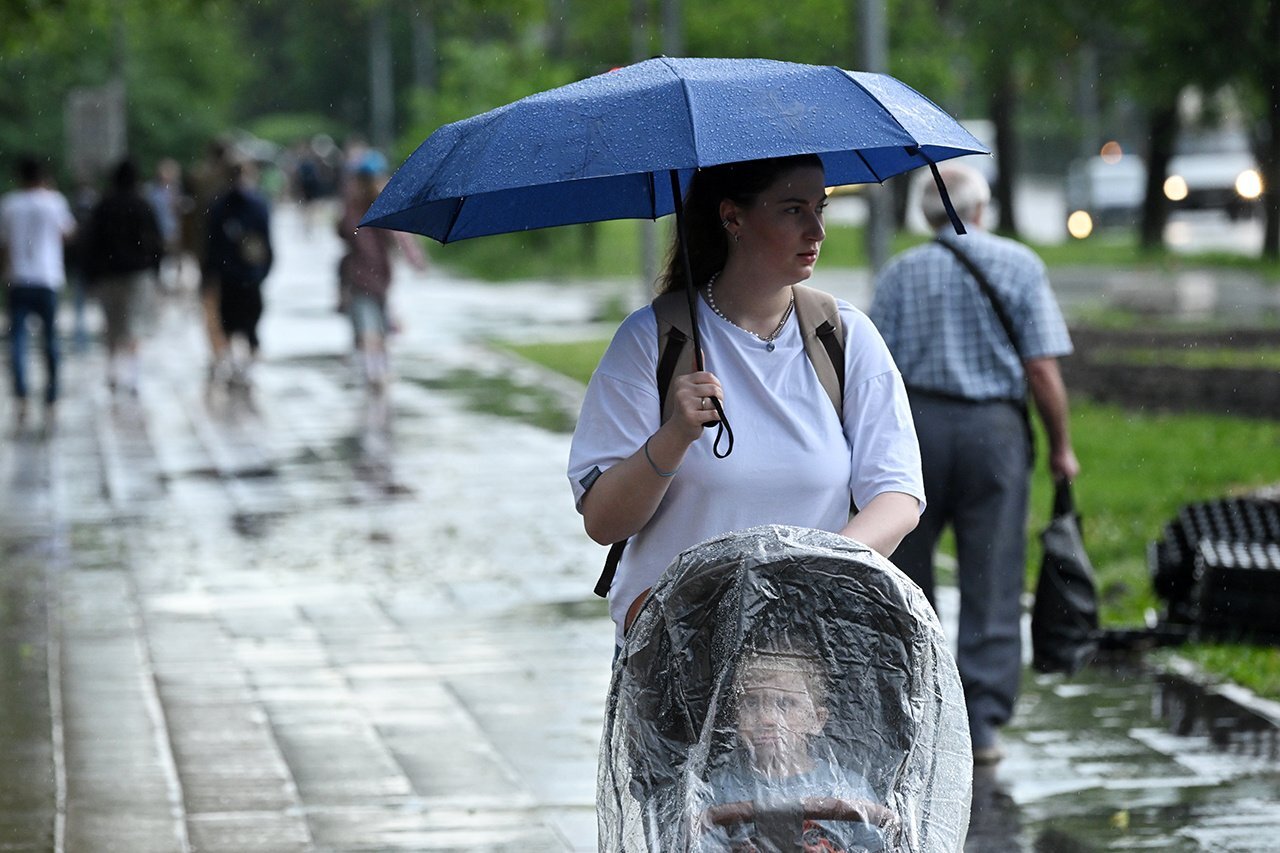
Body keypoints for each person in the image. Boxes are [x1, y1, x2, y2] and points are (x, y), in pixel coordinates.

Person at [567, 154, 924, 649]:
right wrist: (673, 438)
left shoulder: (843, 336)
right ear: (733, 217)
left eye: (820, 207)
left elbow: (898, 494)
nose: (818, 230)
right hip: (678, 653)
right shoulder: (654, 339)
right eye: (793, 210)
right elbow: (603, 522)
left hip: (806, 652)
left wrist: (807, 580)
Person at [868, 162, 1081, 766]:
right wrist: (1061, 445)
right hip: (994, 433)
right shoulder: (1018, 264)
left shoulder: (900, 274)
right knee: (992, 572)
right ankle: (981, 725)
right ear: (981, 207)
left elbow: (874, 374)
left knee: (908, 578)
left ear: (925, 215)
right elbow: (1042, 369)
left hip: (917, 431)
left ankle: (913, 712)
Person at [697, 647, 895, 851]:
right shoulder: (719, 790)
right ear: (735, 716)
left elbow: (878, 847)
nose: (767, 718)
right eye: (751, 703)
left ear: (816, 720)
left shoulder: (848, 788)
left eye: (785, 703)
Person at [336, 153, 426, 389]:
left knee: (372, 324)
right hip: (373, 276)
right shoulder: (378, 208)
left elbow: (342, 232)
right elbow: (401, 238)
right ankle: (376, 369)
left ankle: (374, 368)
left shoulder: (355, 208)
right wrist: (415, 260)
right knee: (373, 324)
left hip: (364, 276)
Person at [0, 157, 76, 433]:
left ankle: (21, 395)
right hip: (48, 278)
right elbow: (69, 233)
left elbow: (4, 244)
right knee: (50, 340)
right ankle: (51, 397)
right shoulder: (54, 202)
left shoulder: (9, 204)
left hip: (19, 278)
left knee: (17, 341)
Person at [83, 158, 164, 394]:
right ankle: (133, 375)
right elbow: (156, 243)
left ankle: (112, 370)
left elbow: (91, 243)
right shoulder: (143, 205)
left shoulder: (103, 205)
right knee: (134, 325)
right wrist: (155, 272)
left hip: (108, 275)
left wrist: (90, 275)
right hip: (138, 274)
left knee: (112, 324)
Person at [205, 160, 273, 389]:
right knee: (248, 324)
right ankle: (244, 368)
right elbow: (266, 244)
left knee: (233, 324)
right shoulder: (255, 205)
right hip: (247, 275)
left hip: (232, 275)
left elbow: (212, 246)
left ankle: (239, 367)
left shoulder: (219, 206)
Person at [182, 138, 234, 382]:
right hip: (231, 253)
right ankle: (227, 347)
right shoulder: (232, 180)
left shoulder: (197, 178)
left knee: (209, 303)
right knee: (232, 302)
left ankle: (217, 350)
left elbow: (188, 216)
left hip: (204, 251)